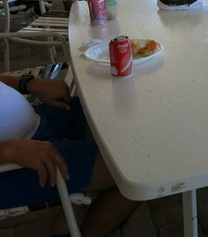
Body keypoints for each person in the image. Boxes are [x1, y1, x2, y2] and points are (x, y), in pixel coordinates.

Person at [0, 74, 138, 236]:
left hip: (38, 121)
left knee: (111, 111)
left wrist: (27, 83)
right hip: (12, 163)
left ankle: (71, 213)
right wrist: (10, 150)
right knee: (134, 171)